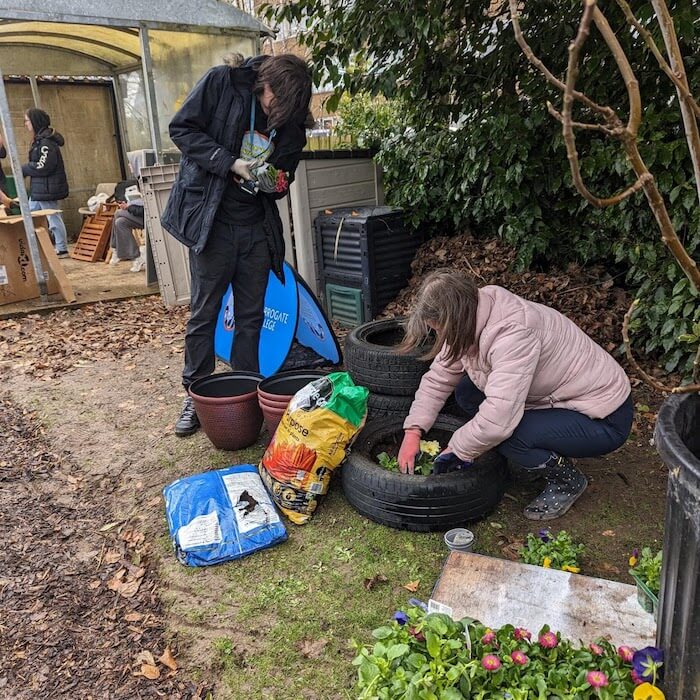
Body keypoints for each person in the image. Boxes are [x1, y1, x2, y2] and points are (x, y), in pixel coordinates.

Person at [397, 270, 633, 521]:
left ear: (455, 317)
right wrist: (413, 432)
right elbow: (438, 378)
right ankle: (538, 452)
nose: (439, 336)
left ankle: (567, 481)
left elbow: (498, 421)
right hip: (557, 399)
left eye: (439, 329)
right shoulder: (469, 313)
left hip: (602, 416)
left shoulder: (513, 333)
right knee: (467, 393)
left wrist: (457, 449)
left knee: (508, 436)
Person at [161, 53, 312, 437]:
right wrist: (229, 162)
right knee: (204, 313)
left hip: (255, 230)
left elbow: (284, 179)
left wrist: (275, 181)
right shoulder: (223, 84)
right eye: (276, 104)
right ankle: (195, 396)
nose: (278, 116)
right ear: (265, 86)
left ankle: (245, 393)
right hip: (212, 223)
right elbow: (181, 129)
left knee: (251, 317)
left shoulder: (291, 122)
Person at [22, 109, 70, 257]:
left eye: (27, 121)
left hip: (47, 189)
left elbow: (44, 166)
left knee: (53, 218)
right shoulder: (40, 140)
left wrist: (25, 169)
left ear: (35, 122)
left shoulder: (45, 143)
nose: (25, 124)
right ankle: (36, 246)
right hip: (39, 188)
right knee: (29, 215)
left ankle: (62, 248)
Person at [110, 179, 146, 272]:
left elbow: (143, 211)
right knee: (120, 222)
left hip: (148, 218)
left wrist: (128, 207)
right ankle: (136, 257)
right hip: (140, 217)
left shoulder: (147, 190)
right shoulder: (137, 191)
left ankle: (115, 248)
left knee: (118, 213)